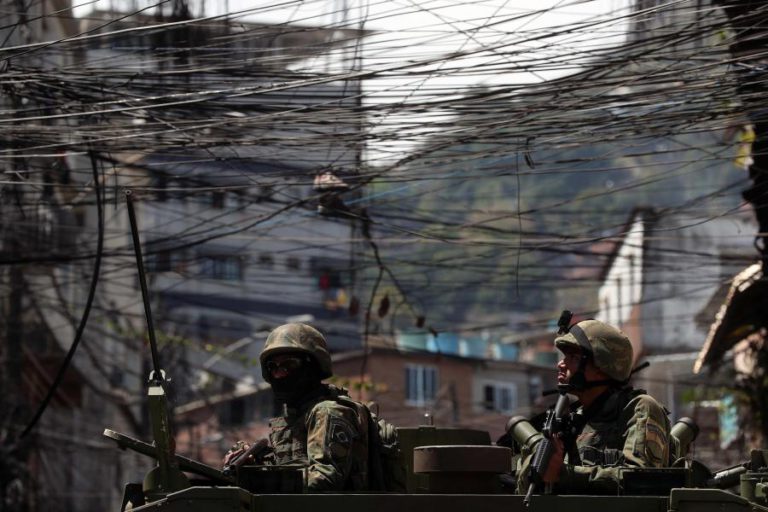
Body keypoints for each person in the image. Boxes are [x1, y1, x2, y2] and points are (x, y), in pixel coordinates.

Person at [516, 319, 671, 493]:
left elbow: (642, 480)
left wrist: (565, 475)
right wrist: (536, 466)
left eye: (573, 357)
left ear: (601, 366)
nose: (561, 364)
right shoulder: (571, 421)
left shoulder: (638, 408)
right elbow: (523, 492)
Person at [223, 323, 370, 492]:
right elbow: (294, 469)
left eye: (290, 364)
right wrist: (253, 465)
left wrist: (258, 480)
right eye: (273, 367)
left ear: (312, 367)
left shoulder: (327, 412)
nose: (279, 374)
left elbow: (325, 480)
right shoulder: (295, 416)